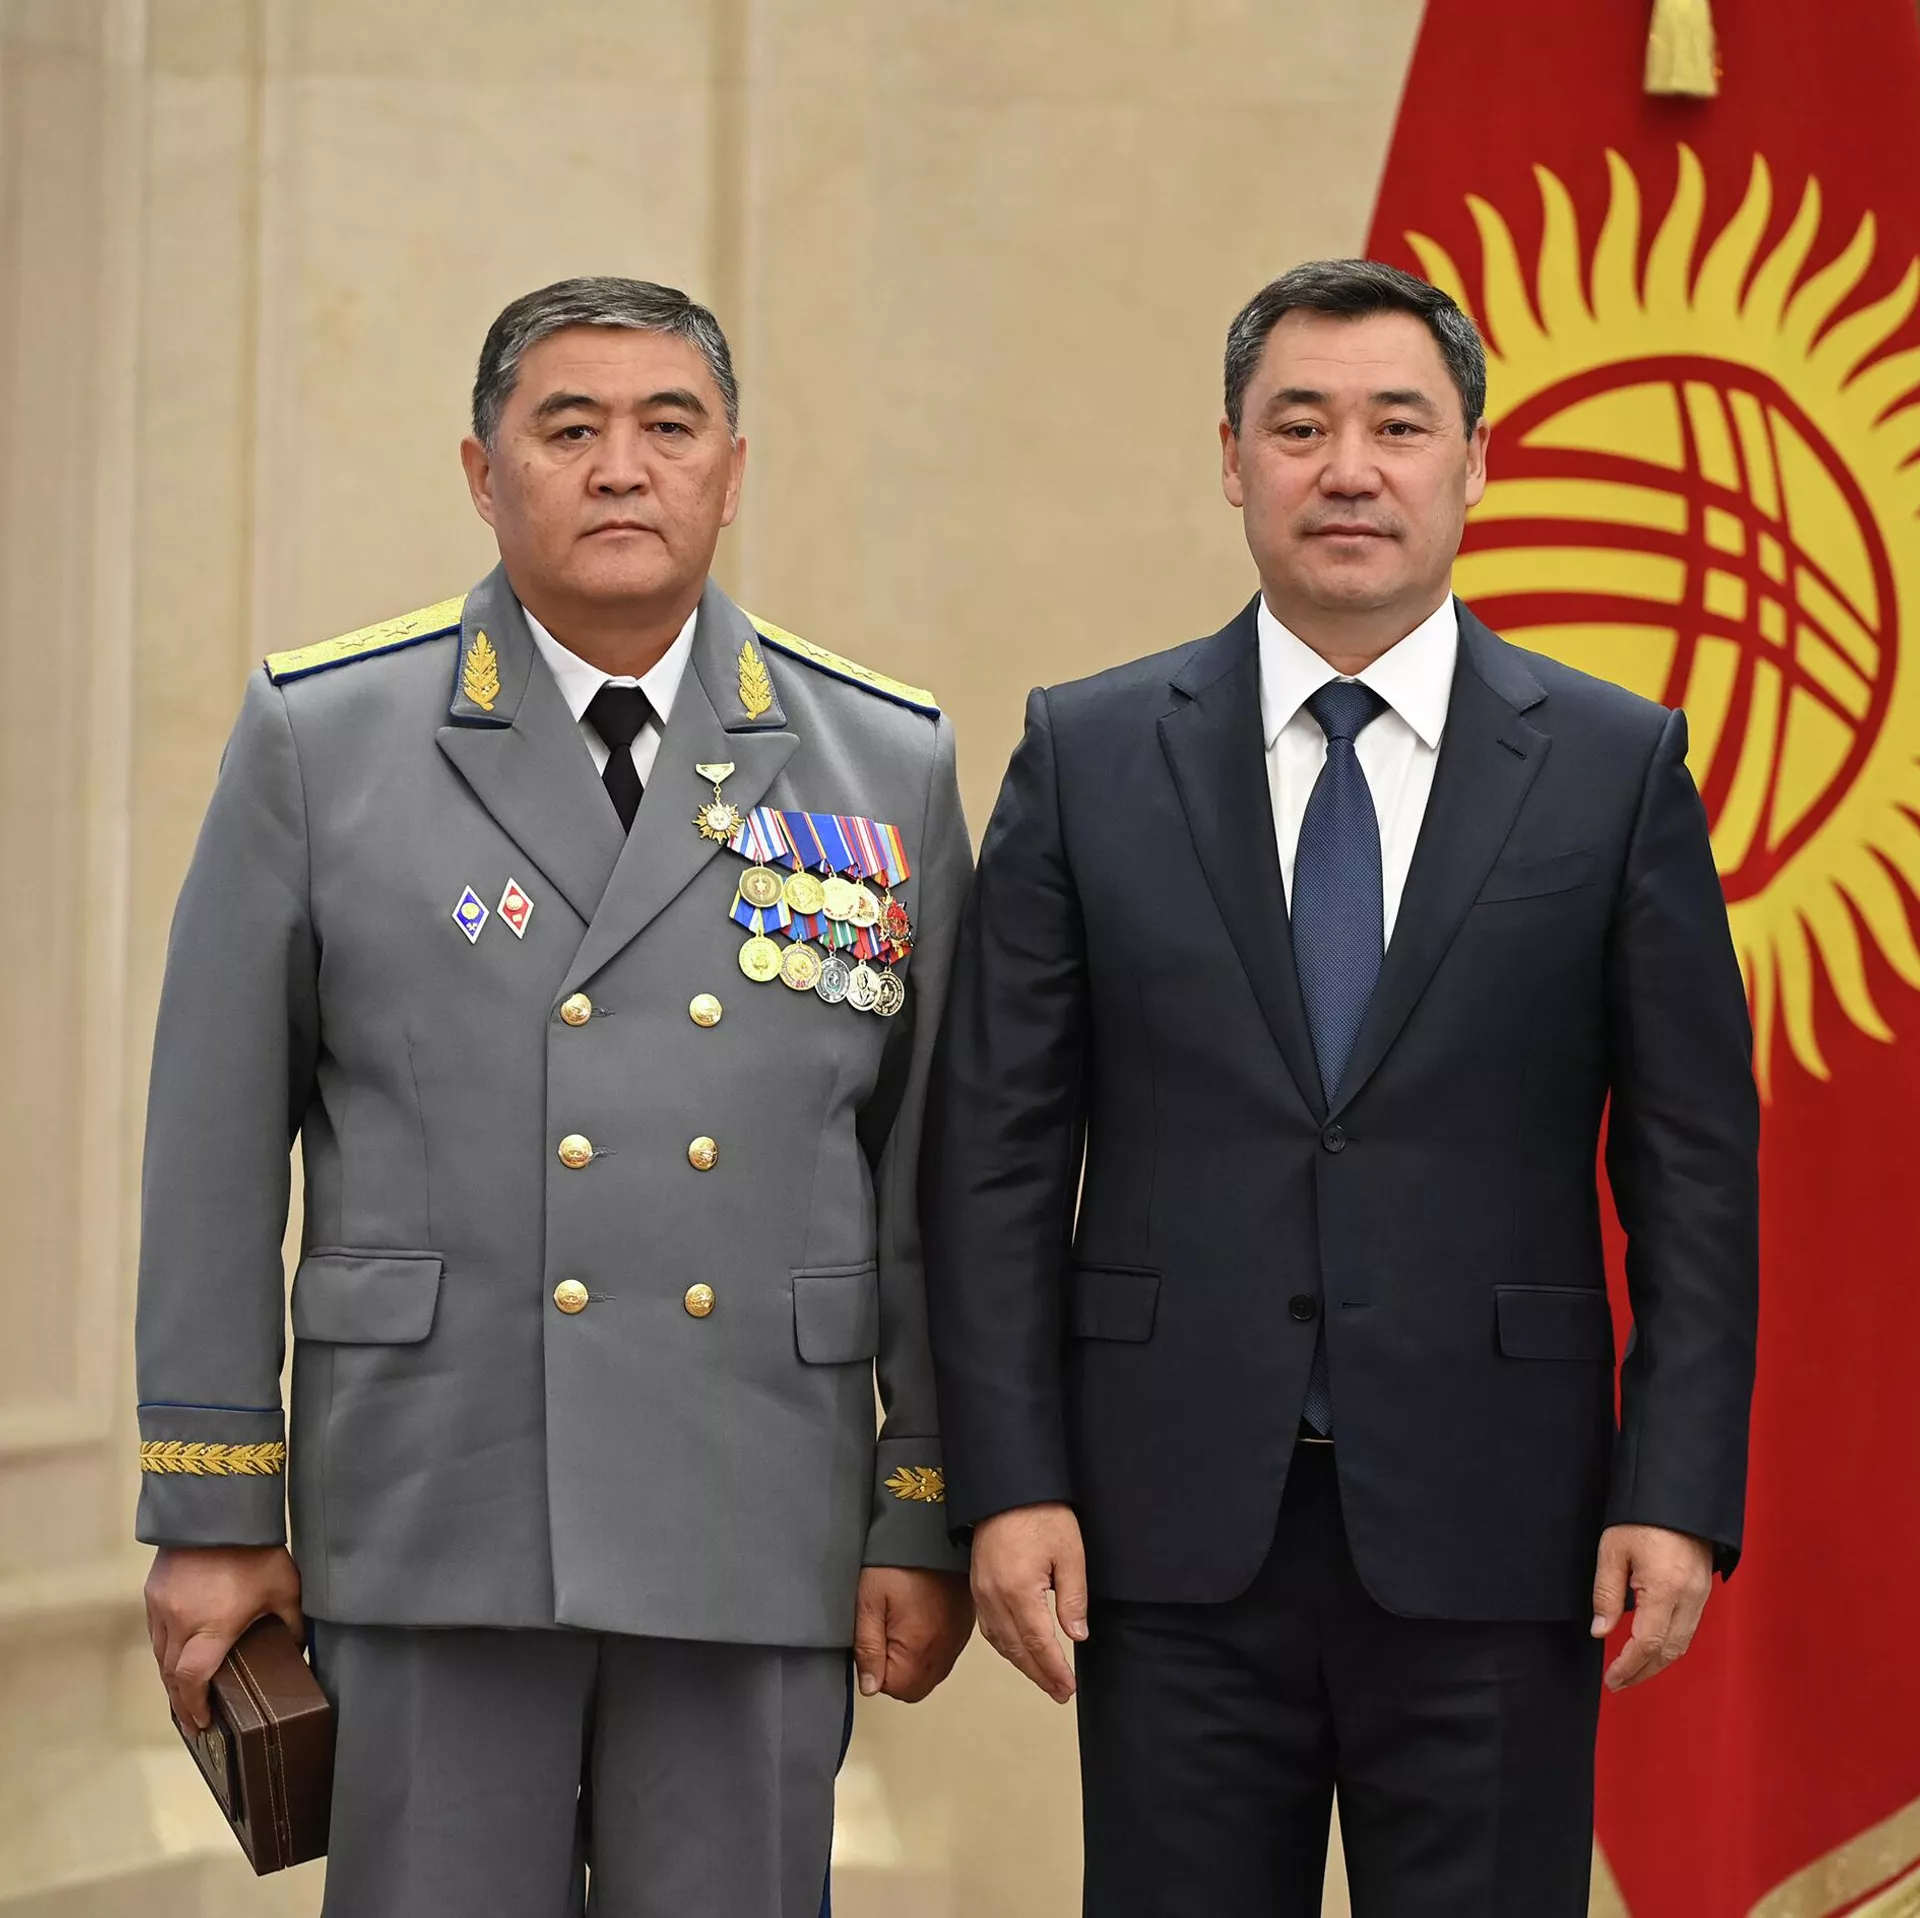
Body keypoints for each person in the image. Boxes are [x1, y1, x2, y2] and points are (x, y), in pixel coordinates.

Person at [922, 258, 1759, 1916]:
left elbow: (1696, 1175)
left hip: (1500, 1523)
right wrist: (1007, 1480)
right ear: (1233, 460)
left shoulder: (1614, 767)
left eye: (1399, 425)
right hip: (1167, 1527)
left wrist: (1674, 1491)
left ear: (1476, 460)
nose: (1350, 468)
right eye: (1300, 426)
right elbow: (996, 1155)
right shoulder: (1090, 754)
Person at [135, 276, 974, 1918]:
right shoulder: (325, 736)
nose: (621, 466)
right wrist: (215, 1503)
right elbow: (214, 1146)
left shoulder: (885, 758)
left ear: (734, 470)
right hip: (435, 1499)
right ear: (481, 471)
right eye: (568, 427)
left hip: (753, 1504)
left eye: (670, 426)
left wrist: (923, 1499)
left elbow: (929, 1176)